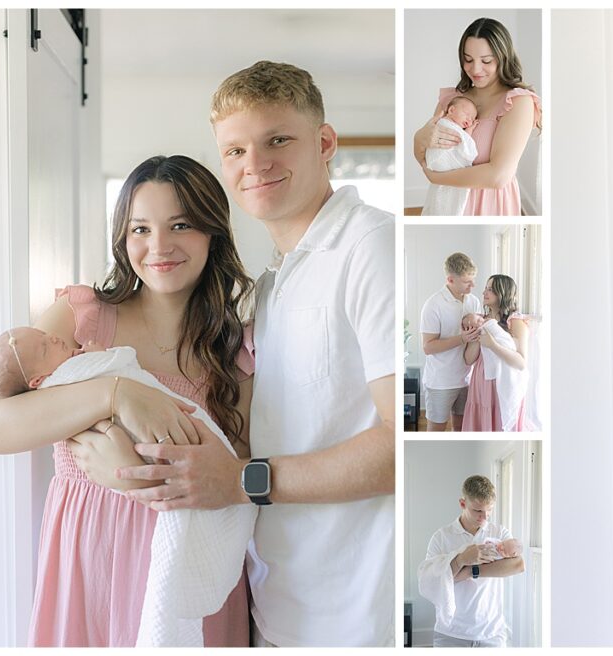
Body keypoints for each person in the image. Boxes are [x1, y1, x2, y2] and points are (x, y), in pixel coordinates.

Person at [101, 61, 396, 648]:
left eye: (276, 140)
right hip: (274, 607)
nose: (254, 165)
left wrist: (242, 480)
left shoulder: (371, 246)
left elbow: (401, 445)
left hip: (355, 615)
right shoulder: (269, 287)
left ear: (325, 143)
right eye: (234, 151)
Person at [0, 155, 255, 647]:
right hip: (90, 559)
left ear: (213, 232)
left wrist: (133, 479)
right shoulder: (83, 318)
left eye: (181, 225)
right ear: (122, 239)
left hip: (188, 563)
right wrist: (116, 394)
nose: (158, 246)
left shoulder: (235, 347)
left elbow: (240, 466)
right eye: (139, 228)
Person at [413, 17, 542, 216]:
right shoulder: (452, 99)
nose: (475, 69)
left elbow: (498, 176)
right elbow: (430, 155)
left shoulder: (518, 102)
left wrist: (435, 177)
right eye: (468, 59)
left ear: (503, 57)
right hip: (446, 200)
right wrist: (418, 139)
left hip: (490, 204)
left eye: (486, 61)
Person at [418, 475, 525, 647]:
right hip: (451, 633)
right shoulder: (441, 537)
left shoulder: (499, 533)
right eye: (478, 511)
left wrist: (470, 570)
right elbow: (430, 580)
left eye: (489, 510)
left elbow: (518, 565)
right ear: (462, 503)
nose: (485, 517)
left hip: (492, 634)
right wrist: (461, 559)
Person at [421, 252, 483, 431]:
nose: (473, 285)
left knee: (462, 430)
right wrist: (461, 339)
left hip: (466, 379)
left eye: (473, 280)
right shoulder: (433, 305)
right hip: (440, 382)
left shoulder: (474, 301)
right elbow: (428, 347)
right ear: (450, 280)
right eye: (467, 282)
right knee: (436, 433)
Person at [462, 274, 529, 432]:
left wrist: (492, 345)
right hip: (481, 381)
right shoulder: (480, 320)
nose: (484, 292)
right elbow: (468, 359)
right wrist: (476, 334)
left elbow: (521, 363)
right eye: (485, 288)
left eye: (490, 289)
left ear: (502, 293)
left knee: (500, 422)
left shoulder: (516, 322)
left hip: (504, 382)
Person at [423, 96, 480, 216]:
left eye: (472, 118)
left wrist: (470, 129)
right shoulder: (444, 124)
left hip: (444, 170)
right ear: (452, 110)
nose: (469, 120)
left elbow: (463, 140)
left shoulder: (457, 129)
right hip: (440, 162)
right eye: (467, 114)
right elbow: (468, 149)